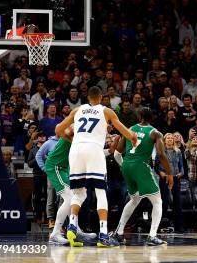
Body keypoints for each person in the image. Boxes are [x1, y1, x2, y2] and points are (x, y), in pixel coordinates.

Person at [54, 86, 137, 247]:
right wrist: (133, 137)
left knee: (78, 193)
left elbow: (58, 130)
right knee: (100, 192)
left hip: (76, 150)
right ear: (101, 97)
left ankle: (72, 225)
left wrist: (73, 140)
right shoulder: (106, 111)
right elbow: (123, 130)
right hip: (94, 150)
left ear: (88, 97)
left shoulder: (77, 110)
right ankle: (104, 235)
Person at [110, 108, 173, 246]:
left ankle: (119, 233)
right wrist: (169, 173)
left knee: (134, 199)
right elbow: (161, 155)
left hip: (126, 165)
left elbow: (116, 154)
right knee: (157, 201)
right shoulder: (155, 133)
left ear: (139, 117)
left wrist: (125, 166)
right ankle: (152, 236)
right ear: (152, 118)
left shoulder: (130, 128)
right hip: (141, 166)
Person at [43, 126, 97, 245]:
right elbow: (64, 131)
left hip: (65, 168)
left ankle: (75, 229)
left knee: (75, 198)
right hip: (55, 166)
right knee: (69, 198)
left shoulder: (85, 135)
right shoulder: (74, 128)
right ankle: (55, 233)